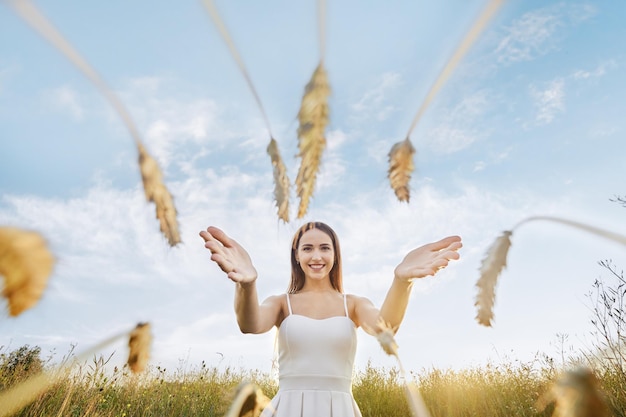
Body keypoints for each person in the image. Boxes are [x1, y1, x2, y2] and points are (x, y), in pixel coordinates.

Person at [200, 221, 462, 417]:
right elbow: (250, 324)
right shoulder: (282, 303)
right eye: (308, 248)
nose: (316, 256)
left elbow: (386, 326)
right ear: (297, 255)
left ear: (335, 255)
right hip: (287, 408)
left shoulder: (354, 304)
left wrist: (402, 280)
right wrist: (247, 284)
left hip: (340, 409)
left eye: (325, 248)